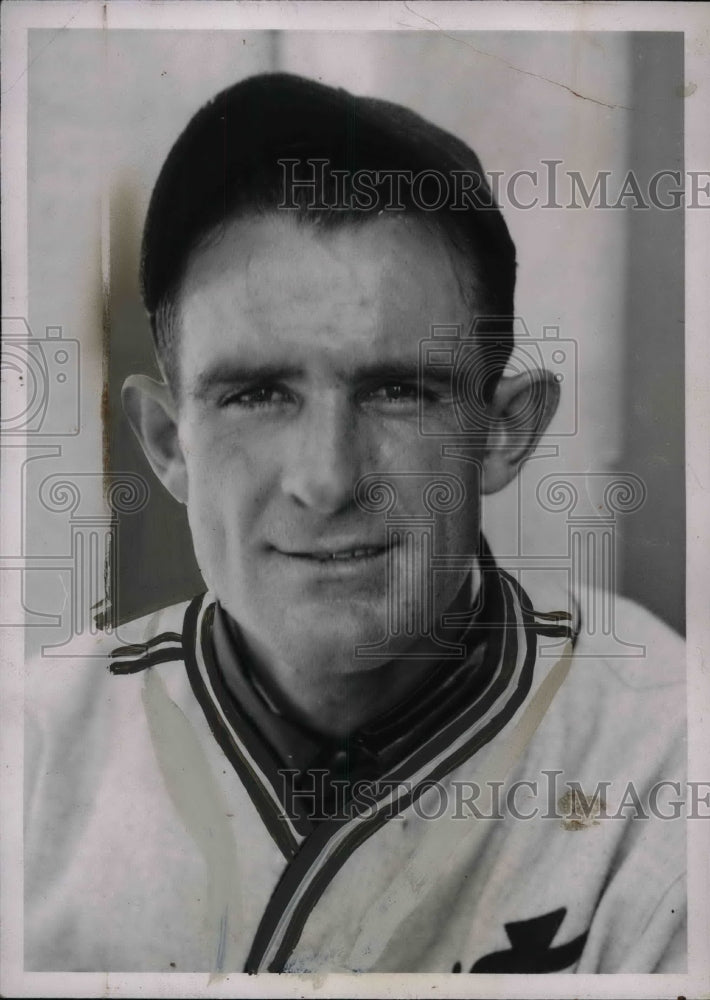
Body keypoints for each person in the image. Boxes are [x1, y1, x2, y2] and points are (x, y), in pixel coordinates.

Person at [25, 72, 685, 974]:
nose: (328, 480)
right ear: (170, 444)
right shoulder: (30, 758)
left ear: (502, 431)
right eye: (258, 394)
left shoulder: (667, 755)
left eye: (397, 390)